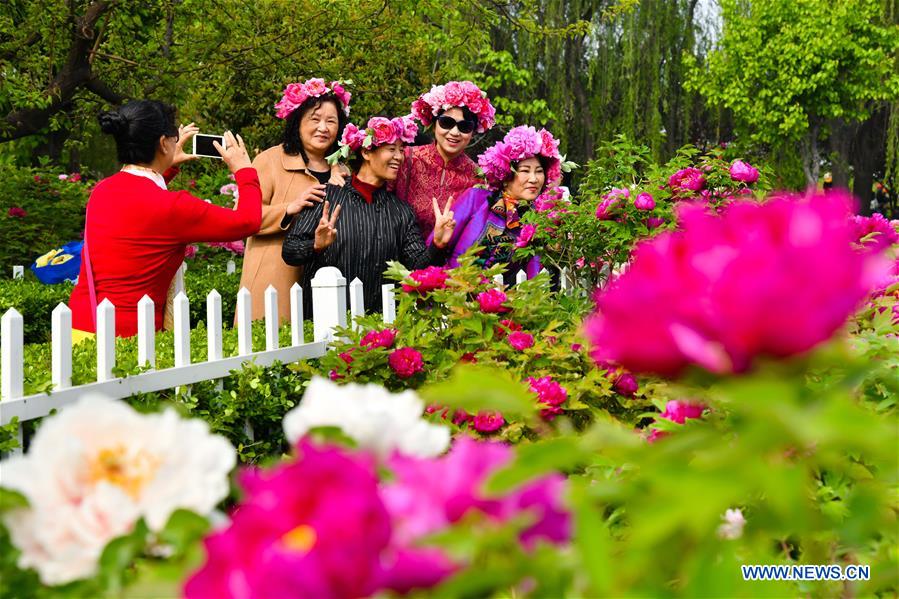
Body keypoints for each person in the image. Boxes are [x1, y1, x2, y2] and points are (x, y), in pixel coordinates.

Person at [69, 100, 261, 338]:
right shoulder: (173, 207)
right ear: (163, 143)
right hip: (129, 339)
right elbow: (248, 221)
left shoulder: (102, 190)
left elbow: (141, 208)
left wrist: (166, 167)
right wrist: (244, 170)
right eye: (173, 137)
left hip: (80, 327)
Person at [282, 116, 456, 314]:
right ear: (366, 151)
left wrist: (437, 245)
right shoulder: (325, 196)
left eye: (401, 150)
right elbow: (289, 251)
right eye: (391, 149)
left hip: (381, 329)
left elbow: (415, 268)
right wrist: (315, 246)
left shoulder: (401, 211)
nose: (399, 156)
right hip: (326, 323)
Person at [238, 79, 351, 322]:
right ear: (297, 121)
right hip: (274, 282)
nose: (323, 128)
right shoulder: (270, 160)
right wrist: (289, 209)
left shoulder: (343, 171)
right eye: (315, 119)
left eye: (331, 121)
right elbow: (242, 217)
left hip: (325, 283)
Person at [433, 125, 565, 286]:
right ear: (507, 176)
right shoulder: (476, 199)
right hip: (452, 296)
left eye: (539, 171)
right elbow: (433, 249)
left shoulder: (536, 219)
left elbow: (536, 277)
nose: (534, 179)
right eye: (525, 170)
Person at [395, 81, 495, 236]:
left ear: (473, 133)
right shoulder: (406, 158)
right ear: (434, 125)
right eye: (447, 123)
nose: (455, 132)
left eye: (464, 127)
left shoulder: (479, 178)